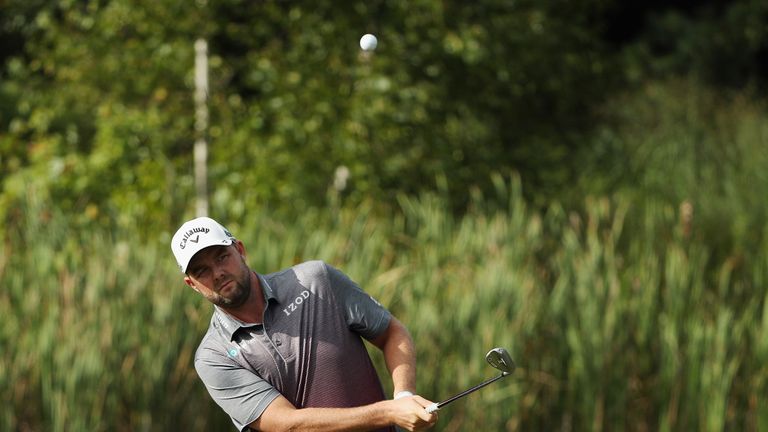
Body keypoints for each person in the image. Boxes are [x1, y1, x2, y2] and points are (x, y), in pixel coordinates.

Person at [171, 216, 438, 431]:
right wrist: (388, 412)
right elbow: (287, 425)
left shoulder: (316, 281)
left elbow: (391, 332)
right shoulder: (213, 356)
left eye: (221, 256)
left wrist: (403, 395)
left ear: (240, 250)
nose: (217, 273)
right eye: (201, 270)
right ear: (191, 284)